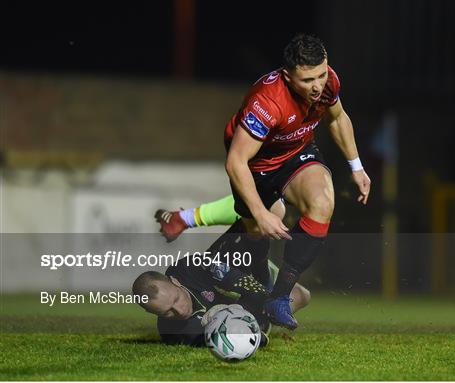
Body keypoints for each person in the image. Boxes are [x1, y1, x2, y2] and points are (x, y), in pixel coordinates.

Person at [157, 34, 370, 330]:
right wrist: (260, 213)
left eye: (321, 75)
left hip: (297, 152)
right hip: (256, 166)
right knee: (258, 228)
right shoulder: (267, 101)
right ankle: (210, 271)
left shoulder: (328, 82)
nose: (318, 85)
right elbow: (236, 162)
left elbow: (337, 118)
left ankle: (279, 297)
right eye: (308, 80)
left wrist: (356, 167)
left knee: (322, 202)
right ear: (288, 76)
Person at [132, 257, 311, 346]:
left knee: (302, 294)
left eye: (177, 299)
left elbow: (255, 289)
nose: (180, 310)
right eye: (167, 312)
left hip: (251, 275)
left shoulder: (193, 266)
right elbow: (248, 339)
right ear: (153, 313)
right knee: (267, 320)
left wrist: (236, 308)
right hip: (250, 314)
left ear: (175, 281)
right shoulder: (175, 332)